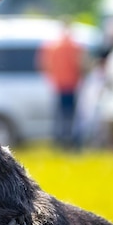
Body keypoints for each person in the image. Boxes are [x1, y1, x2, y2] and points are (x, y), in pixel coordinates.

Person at [37, 21, 84, 149]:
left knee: (59, 115)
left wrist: (52, 78)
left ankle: (59, 140)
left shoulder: (53, 46)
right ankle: (72, 141)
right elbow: (80, 64)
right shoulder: (74, 46)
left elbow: (44, 64)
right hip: (72, 84)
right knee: (71, 115)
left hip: (58, 85)